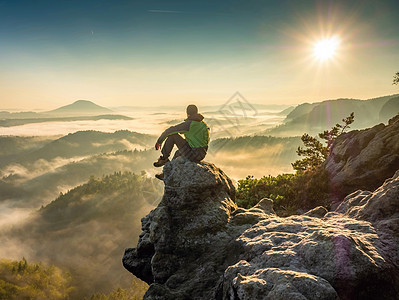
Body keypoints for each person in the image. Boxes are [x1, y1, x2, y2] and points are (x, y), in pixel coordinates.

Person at [153, 105, 210, 179]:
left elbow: (170, 130)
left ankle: (164, 159)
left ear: (188, 114)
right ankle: (167, 173)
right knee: (178, 153)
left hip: (194, 154)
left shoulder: (189, 124)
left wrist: (159, 141)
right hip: (202, 153)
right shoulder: (202, 124)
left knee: (173, 136)